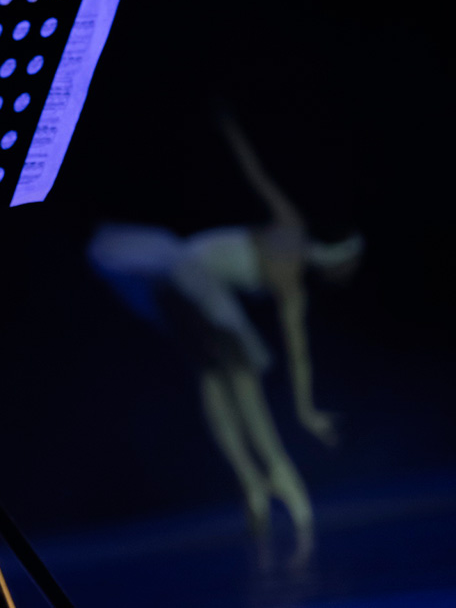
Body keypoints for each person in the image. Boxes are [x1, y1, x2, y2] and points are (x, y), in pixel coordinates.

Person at [86, 113, 362, 569]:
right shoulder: (291, 251)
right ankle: (277, 473)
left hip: (177, 288)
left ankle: (253, 480)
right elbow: (258, 176)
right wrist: (233, 133)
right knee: (240, 370)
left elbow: (300, 356)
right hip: (186, 277)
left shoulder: (291, 272)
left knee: (217, 374)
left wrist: (306, 410)